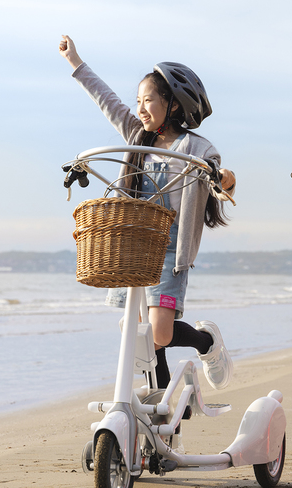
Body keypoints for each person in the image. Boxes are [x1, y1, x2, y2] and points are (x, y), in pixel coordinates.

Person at [59, 35, 236, 390]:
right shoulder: (136, 136)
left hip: (170, 251)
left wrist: (226, 179)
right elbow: (106, 100)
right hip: (134, 244)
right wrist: (76, 63)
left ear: (172, 104)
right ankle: (160, 403)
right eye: (137, 101)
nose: (140, 108)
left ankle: (207, 343)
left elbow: (223, 181)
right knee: (136, 333)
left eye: (148, 100)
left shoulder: (197, 148)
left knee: (158, 334)